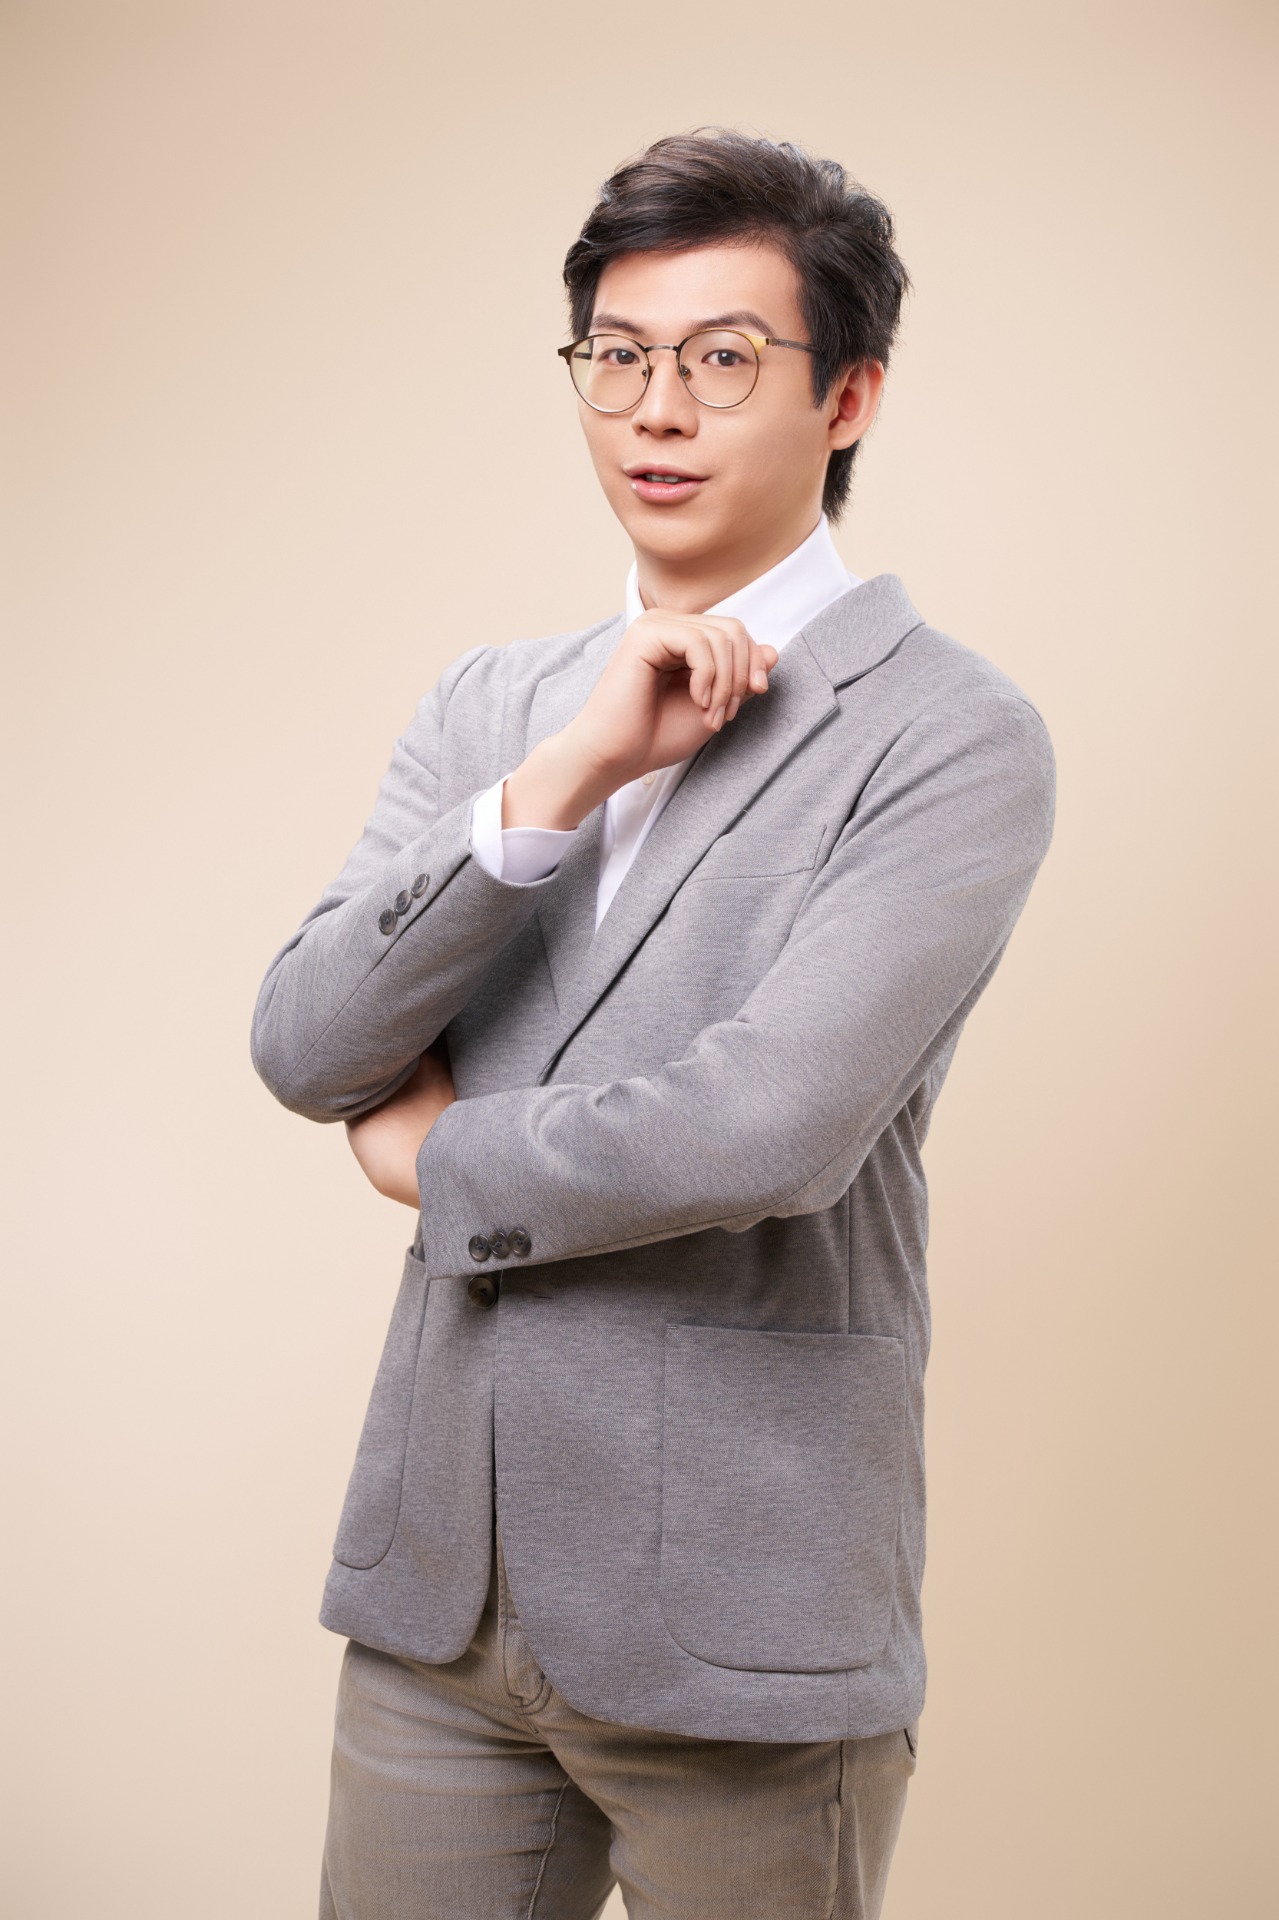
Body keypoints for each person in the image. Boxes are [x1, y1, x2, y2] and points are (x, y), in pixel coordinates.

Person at [251, 127, 1056, 1920]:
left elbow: (764, 1125)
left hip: (743, 1616)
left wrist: (432, 1155)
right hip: (441, 1593)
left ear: (849, 397)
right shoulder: (496, 706)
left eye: (722, 358)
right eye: (614, 355)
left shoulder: (949, 735)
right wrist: (565, 778)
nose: (655, 410)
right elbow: (306, 1044)